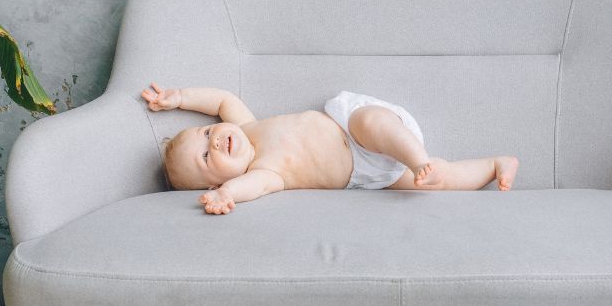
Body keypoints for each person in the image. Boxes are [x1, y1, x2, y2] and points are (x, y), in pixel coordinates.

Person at [141, 84, 520, 215]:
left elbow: (222, 98)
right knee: (434, 183)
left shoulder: (243, 127)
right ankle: (493, 164)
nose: (215, 140)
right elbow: (249, 191)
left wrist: (180, 98)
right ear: (213, 183)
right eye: (208, 158)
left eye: (207, 132)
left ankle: (418, 158)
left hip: (354, 128)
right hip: (367, 175)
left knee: (370, 123)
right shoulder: (265, 174)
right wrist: (226, 195)